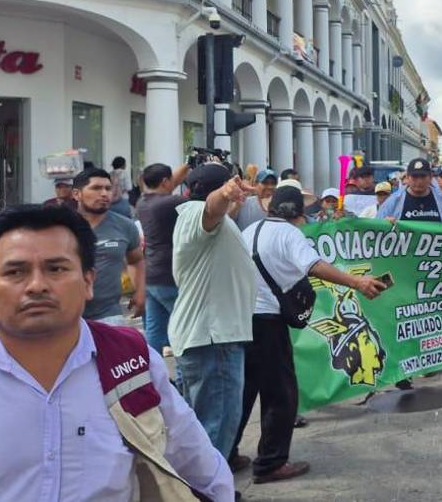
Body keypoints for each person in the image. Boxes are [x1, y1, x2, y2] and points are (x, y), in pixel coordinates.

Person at [0, 205, 233, 500]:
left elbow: (201, 468)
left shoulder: (131, 361)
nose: (37, 286)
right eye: (16, 272)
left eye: (56, 269)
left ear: (88, 282)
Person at [233, 184, 387, 484]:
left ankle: (226, 452)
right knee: (280, 394)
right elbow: (314, 266)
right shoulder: (290, 234)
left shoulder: (248, 231)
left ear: (270, 207)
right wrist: (356, 282)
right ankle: (270, 463)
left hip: (243, 319)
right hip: (269, 322)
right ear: (299, 213)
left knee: (244, 390)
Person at [169, 163, 258, 462]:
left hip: (208, 339)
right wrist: (225, 193)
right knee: (216, 429)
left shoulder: (212, 224)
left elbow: (218, 214)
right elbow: (211, 208)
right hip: (213, 341)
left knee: (201, 429)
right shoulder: (195, 213)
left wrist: (231, 198)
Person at [73, 168, 145, 324]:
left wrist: (140, 291)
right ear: (77, 194)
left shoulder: (125, 226)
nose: (105, 194)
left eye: (108, 188)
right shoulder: (61, 226)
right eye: (96, 188)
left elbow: (136, 260)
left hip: (109, 313)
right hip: (66, 315)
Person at [135, 162, 189, 352]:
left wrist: (189, 163)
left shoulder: (143, 202)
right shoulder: (170, 203)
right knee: (183, 330)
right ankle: (183, 379)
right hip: (169, 276)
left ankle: (153, 375)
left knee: (154, 331)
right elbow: (205, 204)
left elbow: (170, 183)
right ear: (165, 181)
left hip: (151, 276)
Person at [377, 158, 442, 223]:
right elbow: (376, 227)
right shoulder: (393, 201)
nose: (419, 181)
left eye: (423, 176)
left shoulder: (441, 199)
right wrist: (385, 224)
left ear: (431, 177)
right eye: (415, 176)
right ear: (407, 177)